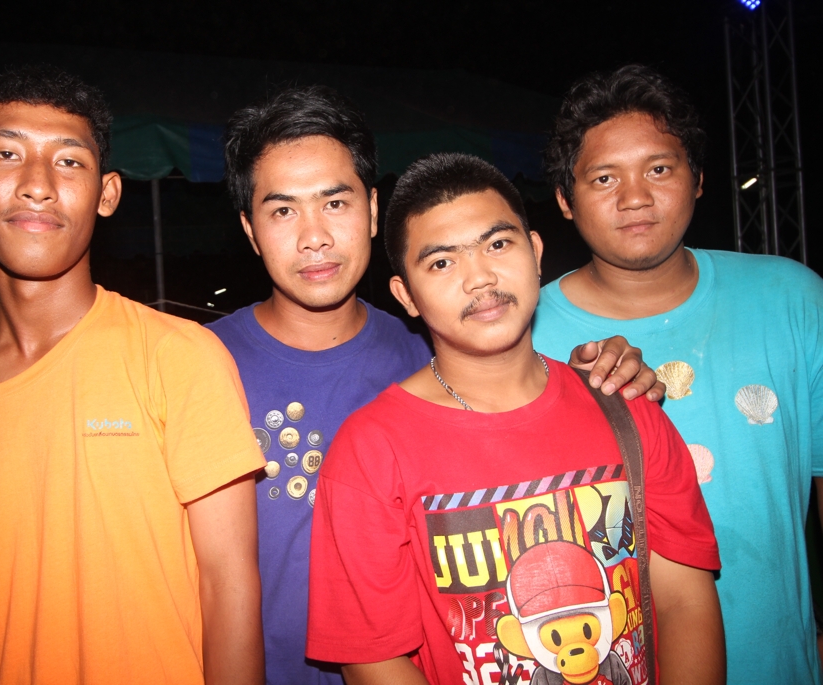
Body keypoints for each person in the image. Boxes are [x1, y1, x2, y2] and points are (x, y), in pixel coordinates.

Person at [207, 87, 664, 685]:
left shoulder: (435, 354)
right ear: (249, 229)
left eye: (335, 202)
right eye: (283, 211)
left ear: (372, 209)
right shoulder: (199, 365)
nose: (314, 236)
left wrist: (610, 374)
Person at [0, 66, 266, 685]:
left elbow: (228, 586)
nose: (37, 186)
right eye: (6, 153)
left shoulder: (179, 358)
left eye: (69, 162)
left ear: (107, 194)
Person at [305, 152, 725, 685]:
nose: (480, 278)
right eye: (441, 263)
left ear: (536, 252)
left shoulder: (625, 405)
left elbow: (686, 602)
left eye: (498, 244)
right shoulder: (370, 450)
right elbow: (373, 658)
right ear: (406, 295)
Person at [531, 64, 823, 684]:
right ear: (564, 199)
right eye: (604, 177)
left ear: (698, 178)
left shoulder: (794, 300)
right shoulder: (521, 338)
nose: (634, 197)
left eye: (659, 169)